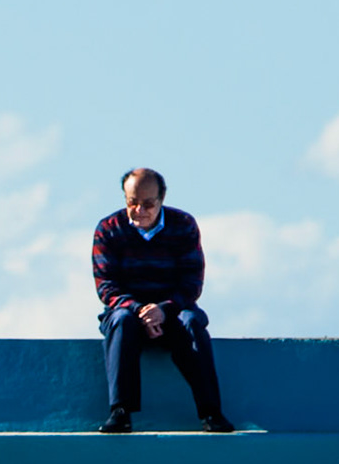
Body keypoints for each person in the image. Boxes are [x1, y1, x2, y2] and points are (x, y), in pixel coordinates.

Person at [91, 168, 233, 434]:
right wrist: (139, 310)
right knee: (121, 322)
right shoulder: (108, 229)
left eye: (148, 204)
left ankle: (211, 412)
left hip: (174, 309)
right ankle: (121, 412)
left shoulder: (184, 225)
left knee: (192, 323)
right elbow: (106, 287)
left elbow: (192, 283)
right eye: (132, 202)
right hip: (127, 311)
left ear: (161, 199)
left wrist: (163, 310)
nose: (140, 210)